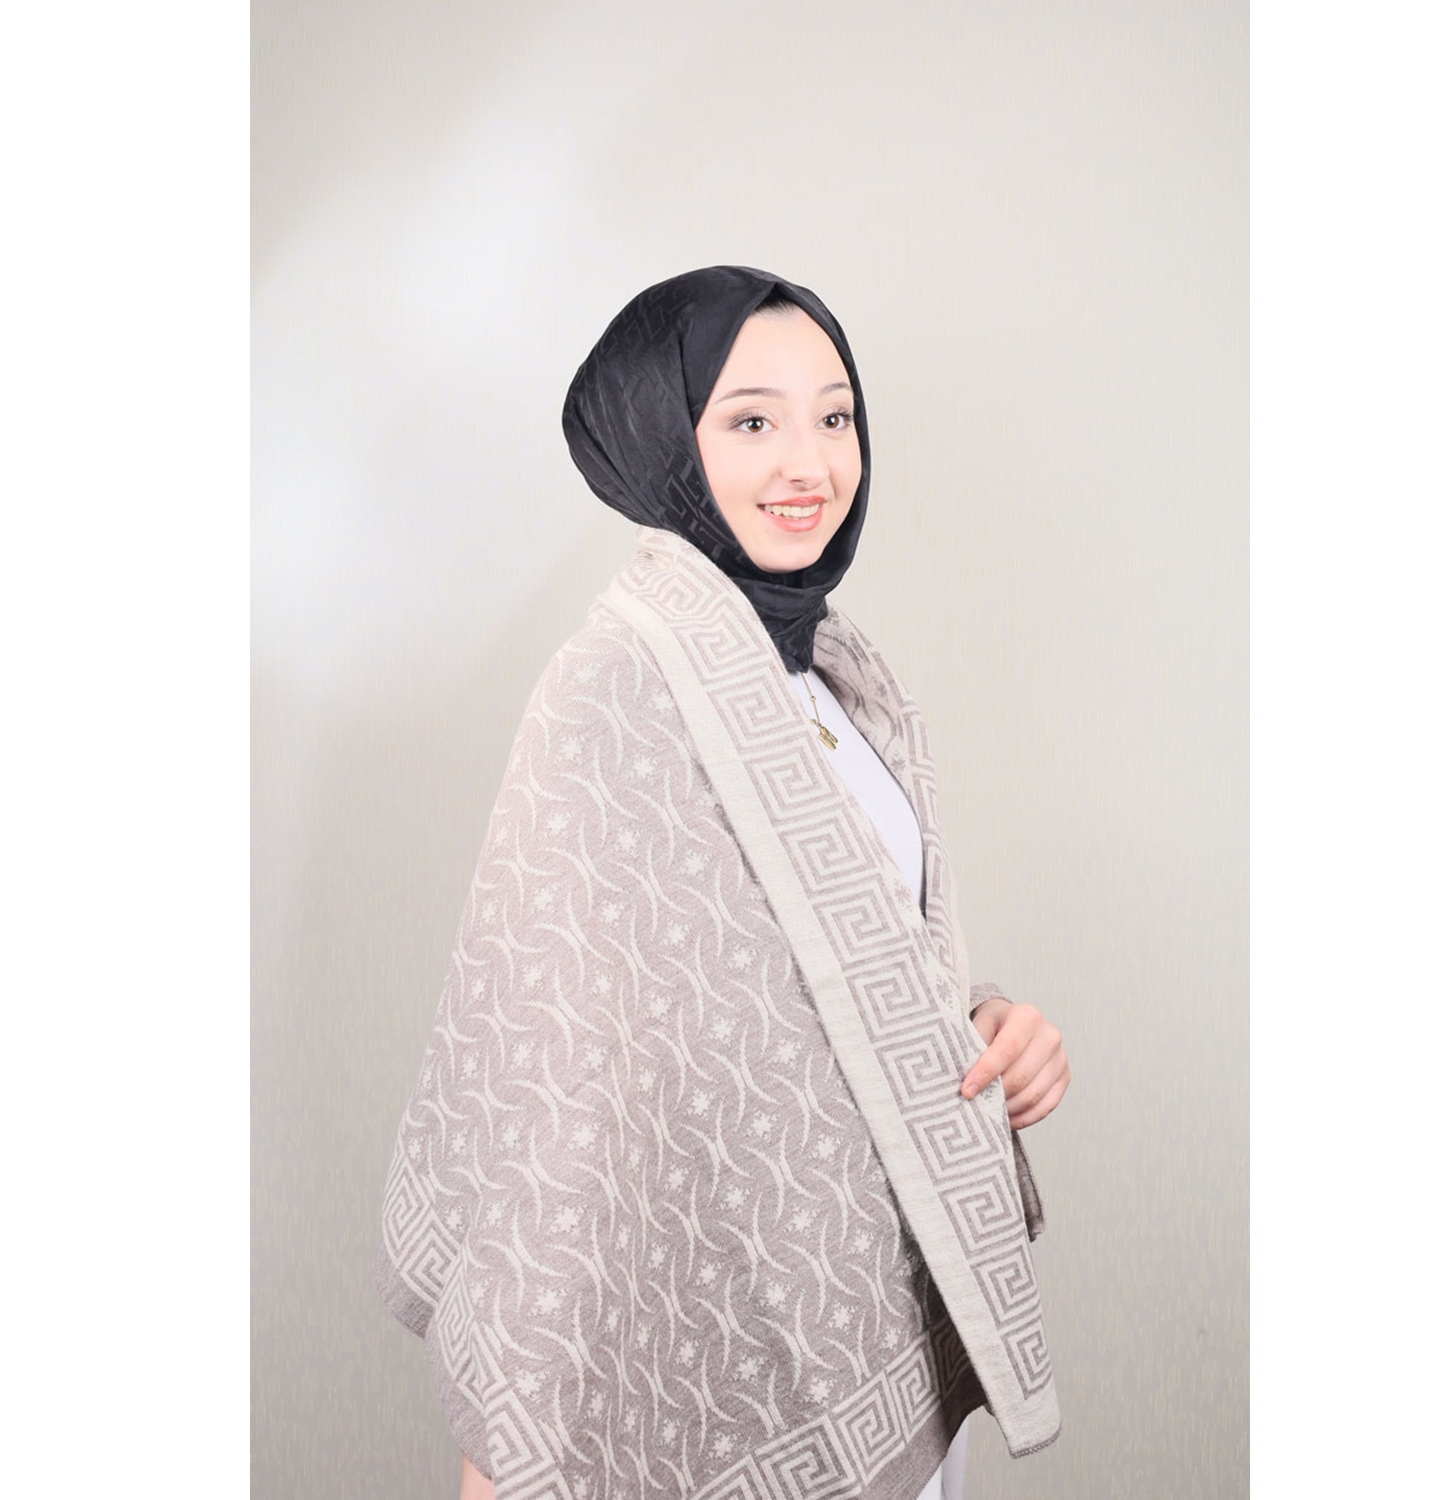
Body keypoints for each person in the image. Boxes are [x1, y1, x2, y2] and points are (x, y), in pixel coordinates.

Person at [377, 266, 1070, 1500]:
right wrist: (510, 1455)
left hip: (880, 1330)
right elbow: (562, 1103)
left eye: (836, 415)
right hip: (713, 1359)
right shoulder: (611, 695)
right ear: (664, 440)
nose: (812, 462)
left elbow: (839, 978)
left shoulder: (841, 678)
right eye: (752, 420)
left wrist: (982, 1024)